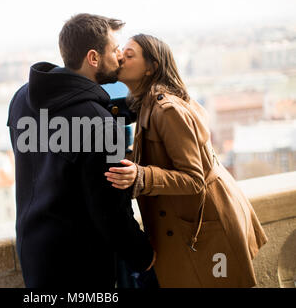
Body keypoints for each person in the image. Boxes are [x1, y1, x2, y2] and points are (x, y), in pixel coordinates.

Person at [105, 34, 268, 287]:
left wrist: (141, 176)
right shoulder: (148, 103)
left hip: (208, 230)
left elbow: (194, 179)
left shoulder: (166, 110)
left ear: (151, 67)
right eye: (120, 53)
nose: (120, 59)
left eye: (129, 55)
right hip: (194, 227)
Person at [7, 14, 154, 288]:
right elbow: (110, 210)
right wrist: (143, 256)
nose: (119, 56)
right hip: (80, 268)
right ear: (93, 58)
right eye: (114, 50)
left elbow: (63, 128)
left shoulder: (21, 101)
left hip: (34, 256)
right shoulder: (99, 125)